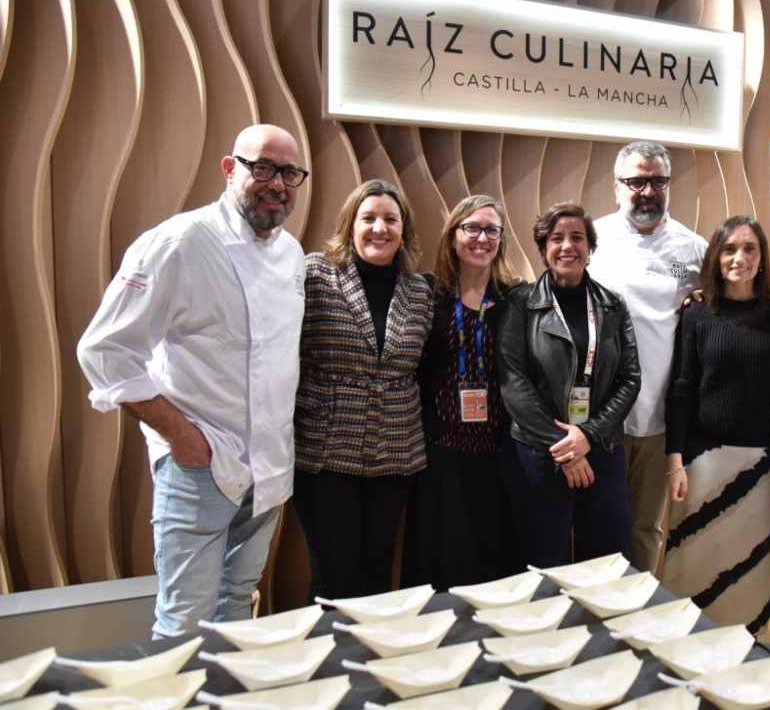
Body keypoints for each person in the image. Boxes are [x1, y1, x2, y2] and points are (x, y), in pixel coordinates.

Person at [77, 124, 308, 637]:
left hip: (268, 468)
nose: (277, 183)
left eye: (289, 173)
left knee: (236, 612)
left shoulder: (292, 253)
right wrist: (180, 434)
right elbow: (105, 350)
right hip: (200, 466)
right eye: (262, 167)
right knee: (184, 622)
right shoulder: (179, 241)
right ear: (230, 169)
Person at [291, 180, 432, 600]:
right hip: (325, 450)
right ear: (350, 225)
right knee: (333, 575)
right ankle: (334, 662)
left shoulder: (421, 289)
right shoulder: (315, 273)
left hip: (395, 451)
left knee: (377, 568)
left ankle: (372, 661)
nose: (379, 228)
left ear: (403, 229)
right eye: (368, 218)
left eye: (390, 219)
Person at [498, 202, 641, 567]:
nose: (567, 246)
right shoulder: (521, 303)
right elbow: (513, 382)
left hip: (601, 449)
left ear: (590, 248)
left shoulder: (612, 306)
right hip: (538, 452)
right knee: (544, 559)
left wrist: (588, 436)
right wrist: (564, 447)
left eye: (577, 237)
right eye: (556, 238)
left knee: (606, 562)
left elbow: (629, 378)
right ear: (544, 248)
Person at [662, 216, 770, 632]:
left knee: (749, 565)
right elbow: (681, 388)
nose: (740, 258)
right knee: (696, 562)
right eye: (730, 249)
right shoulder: (698, 313)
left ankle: (746, 648)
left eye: (750, 248)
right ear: (716, 256)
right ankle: (692, 644)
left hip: (761, 463)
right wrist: (675, 459)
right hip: (704, 461)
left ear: (762, 257)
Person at [588, 141, 706, 573]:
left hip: (658, 416)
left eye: (657, 180)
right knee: (597, 521)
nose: (647, 191)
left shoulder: (693, 249)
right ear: (616, 186)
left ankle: (638, 618)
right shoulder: (592, 239)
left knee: (646, 529)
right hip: (600, 415)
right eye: (636, 181)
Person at [403, 195, 520, 590]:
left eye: (491, 230)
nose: (481, 238)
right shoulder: (427, 295)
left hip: (498, 454)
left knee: (494, 562)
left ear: (501, 240)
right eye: (471, 227)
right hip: (440, 453)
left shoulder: (515, 300)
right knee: (441, 559)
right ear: (453, 235)